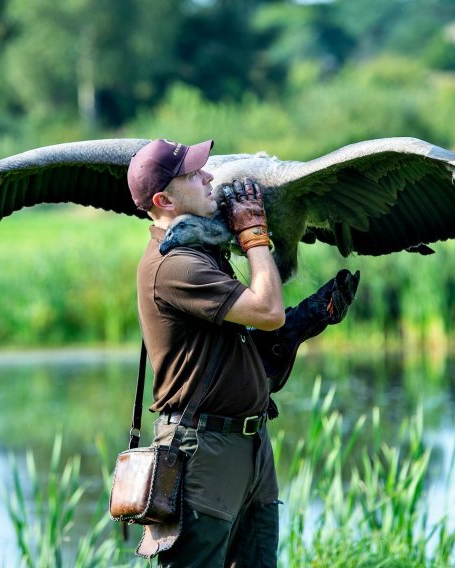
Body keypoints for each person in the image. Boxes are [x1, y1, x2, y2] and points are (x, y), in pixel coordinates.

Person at [127, 138, 359, 567]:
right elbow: (266, 310)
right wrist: (255, 236)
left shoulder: (201, 254)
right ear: (164, 200)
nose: (211, 175)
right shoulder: (175, 265)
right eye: (194, 176)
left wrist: (304, 322)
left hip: (247, 447)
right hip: (202, 454)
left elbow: (235, 351)